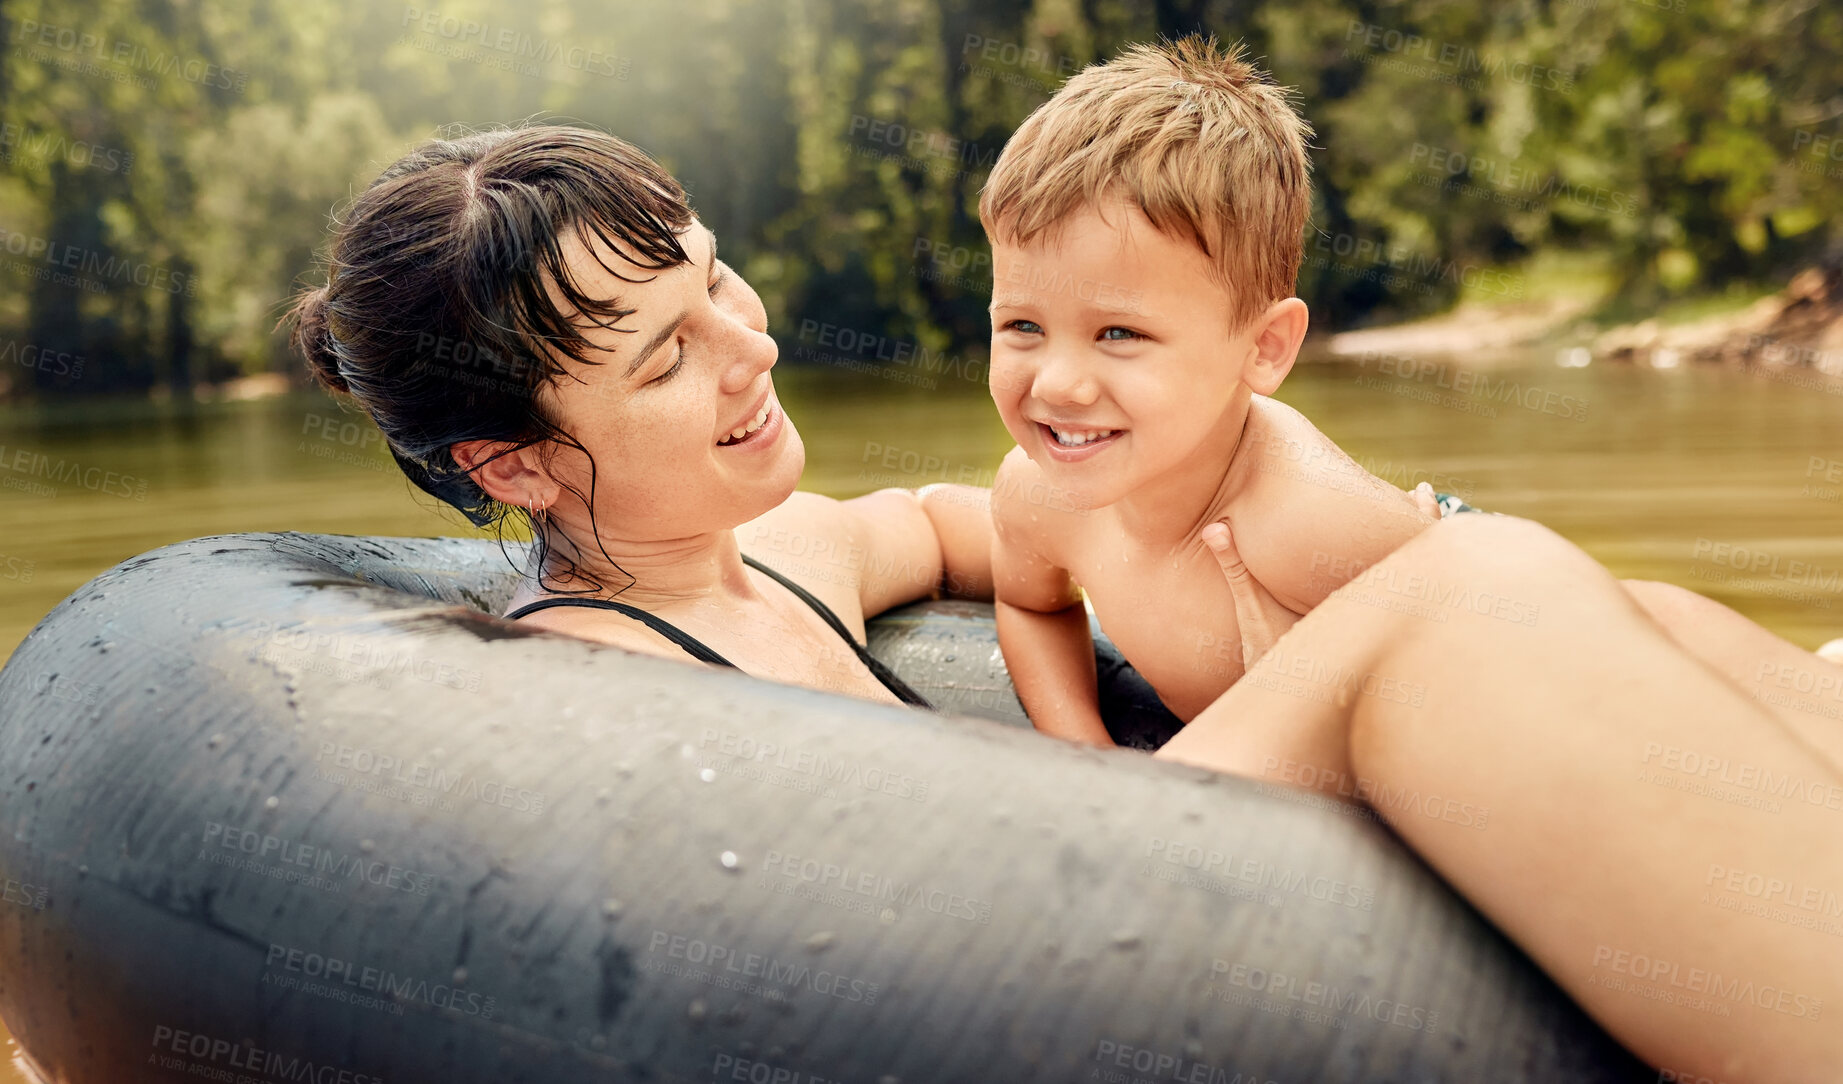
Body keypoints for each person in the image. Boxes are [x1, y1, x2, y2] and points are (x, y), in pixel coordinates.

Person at [290, 122, 1841, 1079]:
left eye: (718, 284)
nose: (748, 348)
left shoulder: (798, 554)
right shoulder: (595, 684)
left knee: (1635, 609)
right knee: (1479, 587)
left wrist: (1258, 509)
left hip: (1145, 851)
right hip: (1078, 958)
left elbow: (994, 524)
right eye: (665, 355)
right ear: (517, 463)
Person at [982, 39, 1465, 740]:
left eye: (1118, 333)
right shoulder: (1033, 497)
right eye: (1022, 324)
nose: (1058, 384)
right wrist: (1081, 751)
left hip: (1458, 564)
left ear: (1262, 349)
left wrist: (1305, 713)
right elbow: (1032, 607)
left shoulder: (1307, 528)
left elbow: (1513, 702)